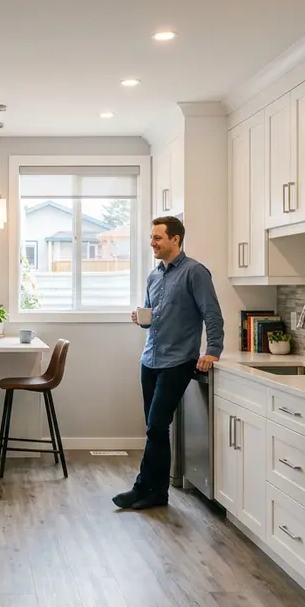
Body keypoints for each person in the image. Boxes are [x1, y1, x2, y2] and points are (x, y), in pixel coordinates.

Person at [113, 216, 224, 511]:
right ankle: (156, 493)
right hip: (150, 359)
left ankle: (142, 488)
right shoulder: (153, 276)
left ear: (175, 239)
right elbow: (152, 318)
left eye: (158, 238)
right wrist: (142, 320)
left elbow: (212, 313)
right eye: (152, 237)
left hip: (179, 361)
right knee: (155, 428)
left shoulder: (195, 272)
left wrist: (212, 350)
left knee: (157, 426)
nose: (152, 242)